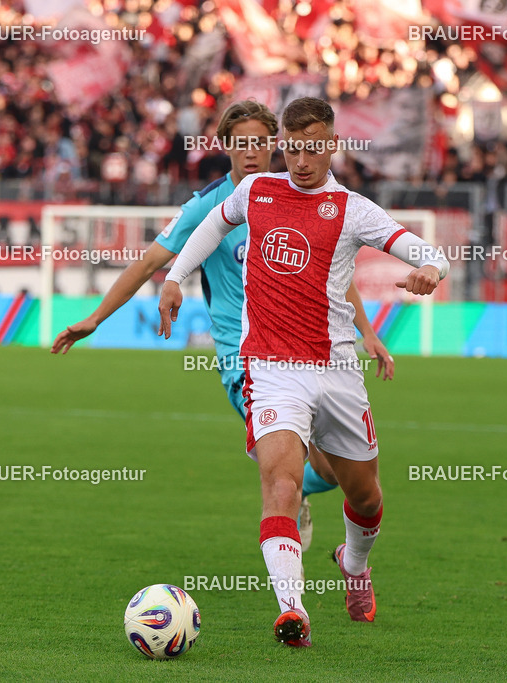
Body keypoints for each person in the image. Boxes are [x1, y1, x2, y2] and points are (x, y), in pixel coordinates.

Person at [158, 97, 449, 647]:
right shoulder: (256, 192)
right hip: (270, 368)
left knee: (364, 497)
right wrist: (176, 276)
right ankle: (293, 611)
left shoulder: (351, 208)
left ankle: (354, 564)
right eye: (291, 149)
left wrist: (430, 269)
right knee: (281, 485)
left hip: (337, 371)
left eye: (312, 147)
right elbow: (209, 228)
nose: (300, 160)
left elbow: (425, 249)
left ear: (331, 144)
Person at [51, 101, 394, 550]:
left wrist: (366, 332)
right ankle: (287, 525)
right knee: (292, 471)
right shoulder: (208, 205)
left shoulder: (303, 196)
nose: (251, 153)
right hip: (246, 358)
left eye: (260, 143)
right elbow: (150, 260)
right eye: (241, 144)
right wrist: (96, 318)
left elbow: (332, 275)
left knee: (334, 474)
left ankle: (300, 496)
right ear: (225, 147)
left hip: (310, 352)